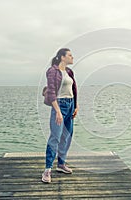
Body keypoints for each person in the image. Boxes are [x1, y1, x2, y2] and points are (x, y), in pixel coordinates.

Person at [42, 48, 78, 183]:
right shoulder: (52, 71)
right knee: (55, 137)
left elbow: (74, 90)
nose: (72, 57)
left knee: (67, 136)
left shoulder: (69, 72)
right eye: (70, 55)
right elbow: (51, 92)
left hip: (70, 105)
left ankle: (61, 164)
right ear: (62, 57)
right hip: (60, 105)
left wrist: (76, 106)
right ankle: (47, 170)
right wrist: (57, 110)